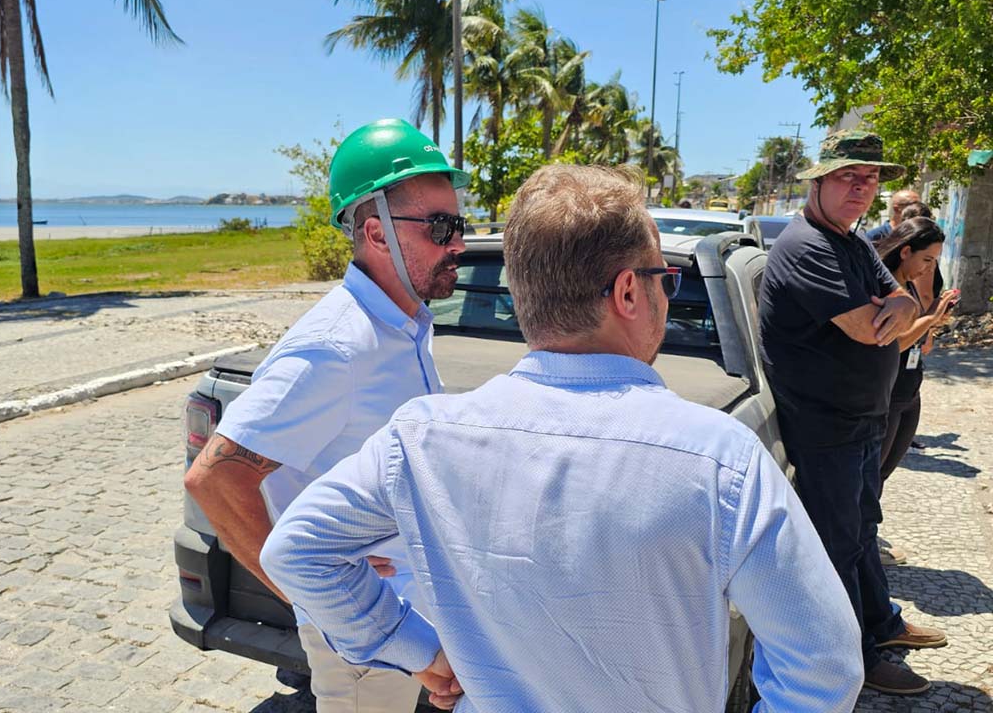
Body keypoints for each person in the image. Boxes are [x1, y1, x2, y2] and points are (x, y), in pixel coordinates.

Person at [262, 164, 866, 713]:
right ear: (629, 291)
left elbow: (297, 550)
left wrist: (415, 648)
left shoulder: (419, 439)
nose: (666, 295)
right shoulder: (718, 458)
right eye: (665, 280)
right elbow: (823, 667)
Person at [183, 118, 470, 713]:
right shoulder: (336, 345)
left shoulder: (403, 326)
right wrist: (317, 599)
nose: (459, 244)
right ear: (376, 232)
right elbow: (215, 479)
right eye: (441, 227)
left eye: (459, 225)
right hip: (367, 646)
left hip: (405, 612)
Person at [759, 130, 947, 696]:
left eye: (869, 178)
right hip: (826, 427)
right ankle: (855, 662)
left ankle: (881, 626)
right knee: (837, 548)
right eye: (847, 176)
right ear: (817, 181)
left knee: (863, 531)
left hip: (861, 420)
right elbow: (869, 330)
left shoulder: (854, 241)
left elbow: (904, 296)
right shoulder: (808, 246)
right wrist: (889, 305)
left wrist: (899, 300)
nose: (861, 187)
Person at [874, 220, 958, 556]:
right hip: (889, 391)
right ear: (905, 250)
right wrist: (931, 319)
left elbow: (915, 344)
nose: (930, 268)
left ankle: (868, 538)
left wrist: (931, 323)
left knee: (883, 472)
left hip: (909, 388)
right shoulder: (887, 285)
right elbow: (892, 344)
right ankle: (863, 547)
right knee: (872, 476)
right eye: (927, 260)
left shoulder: (904, 283)